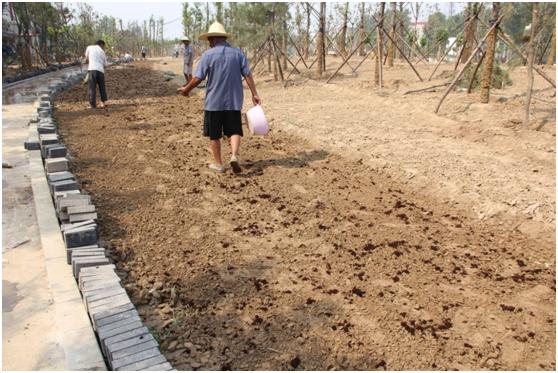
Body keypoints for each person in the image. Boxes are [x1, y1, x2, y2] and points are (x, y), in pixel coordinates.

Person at [177, 22, 261, 174]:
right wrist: (254, 94)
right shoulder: (238, 54)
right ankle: (234, 155)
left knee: (214, 134)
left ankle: (218, 164)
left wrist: (186, 89)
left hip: (214, 103)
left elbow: (198, 78)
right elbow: (247, 74)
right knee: (235, 130)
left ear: (213, 39)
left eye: (209, 39)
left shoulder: (208, 55)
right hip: (234, 101)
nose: (208, 42)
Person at [84, 40, 108, 109]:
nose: (103, 47)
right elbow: (105, 64)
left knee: (92, 88)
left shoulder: (89, 47)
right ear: (101, 44)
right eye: (103, 46)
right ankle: (103, 103)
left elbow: (86, 59)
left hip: (92, 69)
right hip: (100, 71)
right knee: (102, 87)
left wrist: (85, 62)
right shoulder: (102, 52)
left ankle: (92, 105)